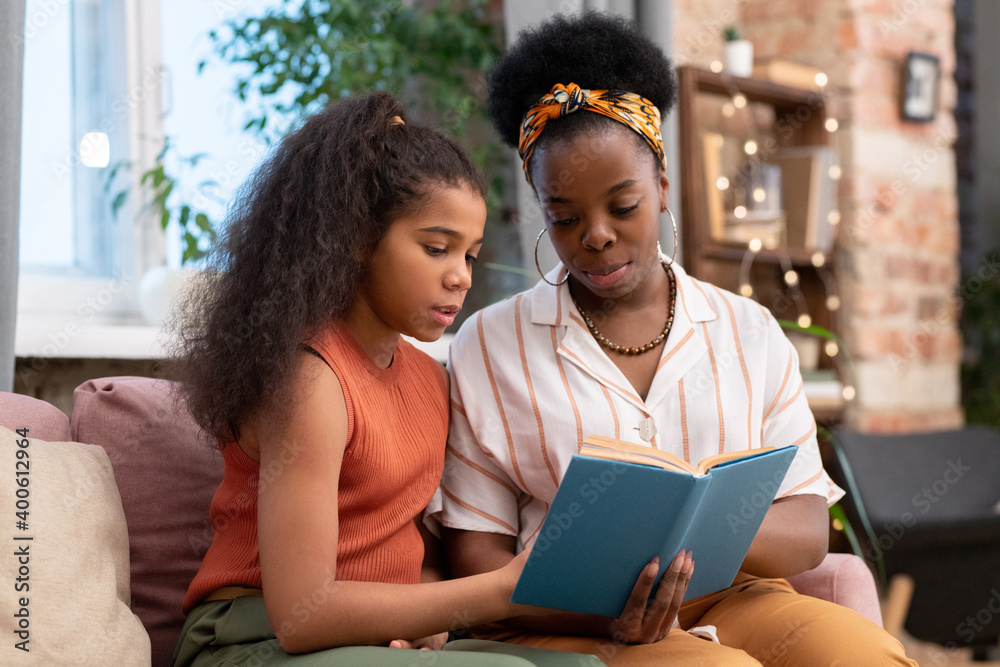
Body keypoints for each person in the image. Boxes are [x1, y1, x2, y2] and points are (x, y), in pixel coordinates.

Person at [429, 12, 917, 666]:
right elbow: (475, 551)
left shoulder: (749, 332)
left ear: (661, 185)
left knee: (864, 656)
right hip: (564, 619)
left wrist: (683, 542)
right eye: (564, 217)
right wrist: (604, 594)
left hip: (733, 597)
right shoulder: (490, 344)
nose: (595, 235)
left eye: (622, 206)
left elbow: (804, 525)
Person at [168, 91, 610, 666]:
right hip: (252, 641)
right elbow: (302, 613)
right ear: (355, 240)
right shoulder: (310, 378)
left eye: (471, 256)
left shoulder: (430, 379)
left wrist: (423, 613)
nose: (459, 278)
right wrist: (501, 590)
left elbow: (410, 550)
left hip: (365, 642)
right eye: (436, 249)